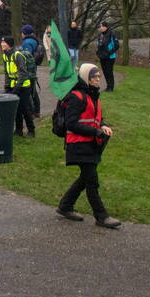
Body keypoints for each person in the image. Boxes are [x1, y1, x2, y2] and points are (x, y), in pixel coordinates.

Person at [56, 63, 121, 228]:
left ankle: (65, 206)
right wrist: (95, 131)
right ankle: (101, 216)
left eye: (99, 76)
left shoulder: (93, 95)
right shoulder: (76, 97)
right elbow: (71, 123)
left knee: (84, 179)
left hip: (90, 144)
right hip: (78, 145)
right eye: (94, 77)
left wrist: (103, 125)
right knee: (92, 181)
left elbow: (96, 117)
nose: (98, 79)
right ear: (86, 78)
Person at [0, 36, 36, 137]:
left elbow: (23, 74)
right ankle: (19, 130)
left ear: (9, 45)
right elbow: (7, 72)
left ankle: (31, 131)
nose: (2, 44)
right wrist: (7, 86)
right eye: (1, 42)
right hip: (13, 86)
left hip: (23, 86)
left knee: (25, 109)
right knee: (16, 109)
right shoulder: (5, 56)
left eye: (4, 42)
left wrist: (17, 88)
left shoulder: (17, 55)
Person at [20, 24, 42, 115]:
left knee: (29, 91)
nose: (21, 34)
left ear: (25, 33)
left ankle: (32, 112)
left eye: (22, 32)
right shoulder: (34, 41)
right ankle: (37, 111)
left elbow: (27, 56)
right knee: (33, 90)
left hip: (29, 70)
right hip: (33, 68)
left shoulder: (27, 43)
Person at [96, 21, 118, 92]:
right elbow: (99, 44)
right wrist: (98, 53)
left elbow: (116, 45)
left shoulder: (112, 34)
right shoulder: (101, 35)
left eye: (102, 26)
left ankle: (111, 87)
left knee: (109, 72)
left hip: (110, 57)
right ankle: (108, 86)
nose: (101, 28)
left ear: (106, 27)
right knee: (105, 72)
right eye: (100, 26)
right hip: (102, 57)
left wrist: (108, 53)